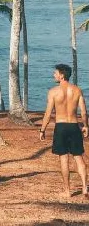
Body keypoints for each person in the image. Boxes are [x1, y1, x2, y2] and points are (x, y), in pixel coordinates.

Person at [40, 63, 88, 199]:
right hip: (74, 126)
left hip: (61, 127)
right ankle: (85, 187)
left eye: (55, 73)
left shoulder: (53, 92)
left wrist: (42, 129)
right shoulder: (77, 90)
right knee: (79, 157)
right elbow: (84, 111)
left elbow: (48, 114)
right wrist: (86, 125)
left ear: (61, 76)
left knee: (64, 159)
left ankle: (67, 191)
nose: (54, 75)